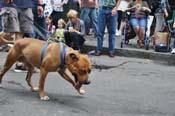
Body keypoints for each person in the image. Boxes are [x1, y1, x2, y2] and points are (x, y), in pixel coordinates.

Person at [0, 0, 43, 72]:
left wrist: (40, 4)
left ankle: (19, 63)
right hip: (9, 4)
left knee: (21, 33)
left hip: (26, 4)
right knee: (9, 32)